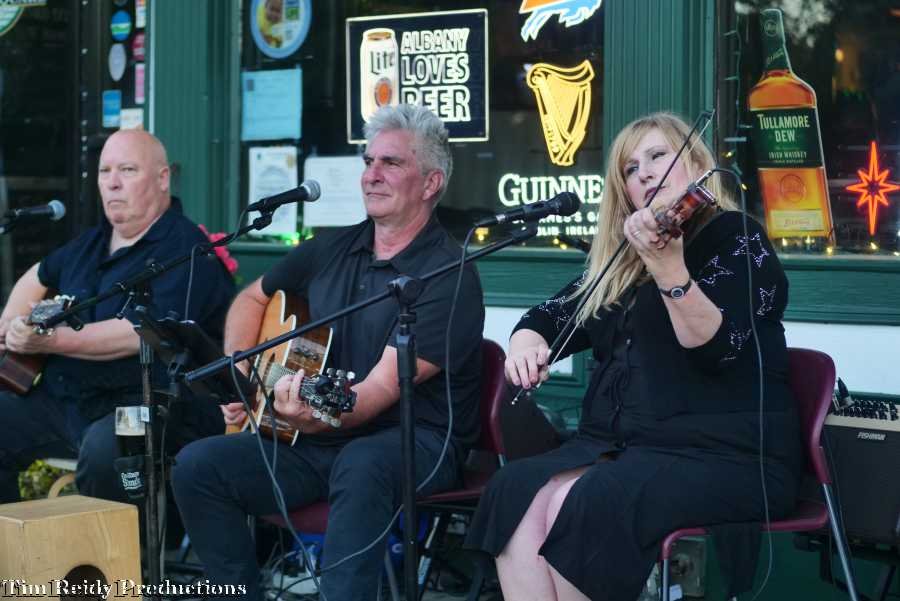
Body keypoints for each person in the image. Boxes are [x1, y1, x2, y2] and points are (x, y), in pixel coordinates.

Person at [464, 112, 803, 601]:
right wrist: (526, 342)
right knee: (516, 489)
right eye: (630, 168)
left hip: (729, 454)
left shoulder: (737, 238)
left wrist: (669, 269)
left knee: (582, 501)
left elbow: (715, 347)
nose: (644, 172)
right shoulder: (623, 261)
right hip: (635, 447)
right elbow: (550, 315)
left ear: (696, 164)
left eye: (658, 156)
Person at [172, 104, 485, 600]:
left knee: (362, 463)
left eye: (391, 163)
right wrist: (244, 377)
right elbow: (252, 298)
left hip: (414, 443)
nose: (372, 175)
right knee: (198, 466)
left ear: (431, 183)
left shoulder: (450, 275)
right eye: (368, 161)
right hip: (316, 441)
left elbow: (376, 392)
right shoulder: (330, 248)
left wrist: (310, 418)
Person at [0, 129, 235, 504]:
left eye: (127, 170)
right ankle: (13, 538)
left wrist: (51, 341)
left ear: (162, 178)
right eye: (104, 171)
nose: (112, 183)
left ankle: (123, 546)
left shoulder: (189, 249)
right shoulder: (91, 241)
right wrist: (11, 326)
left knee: (107, 452)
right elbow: (39, 274)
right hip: (64, 400)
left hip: (149, 404)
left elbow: (138, 333)